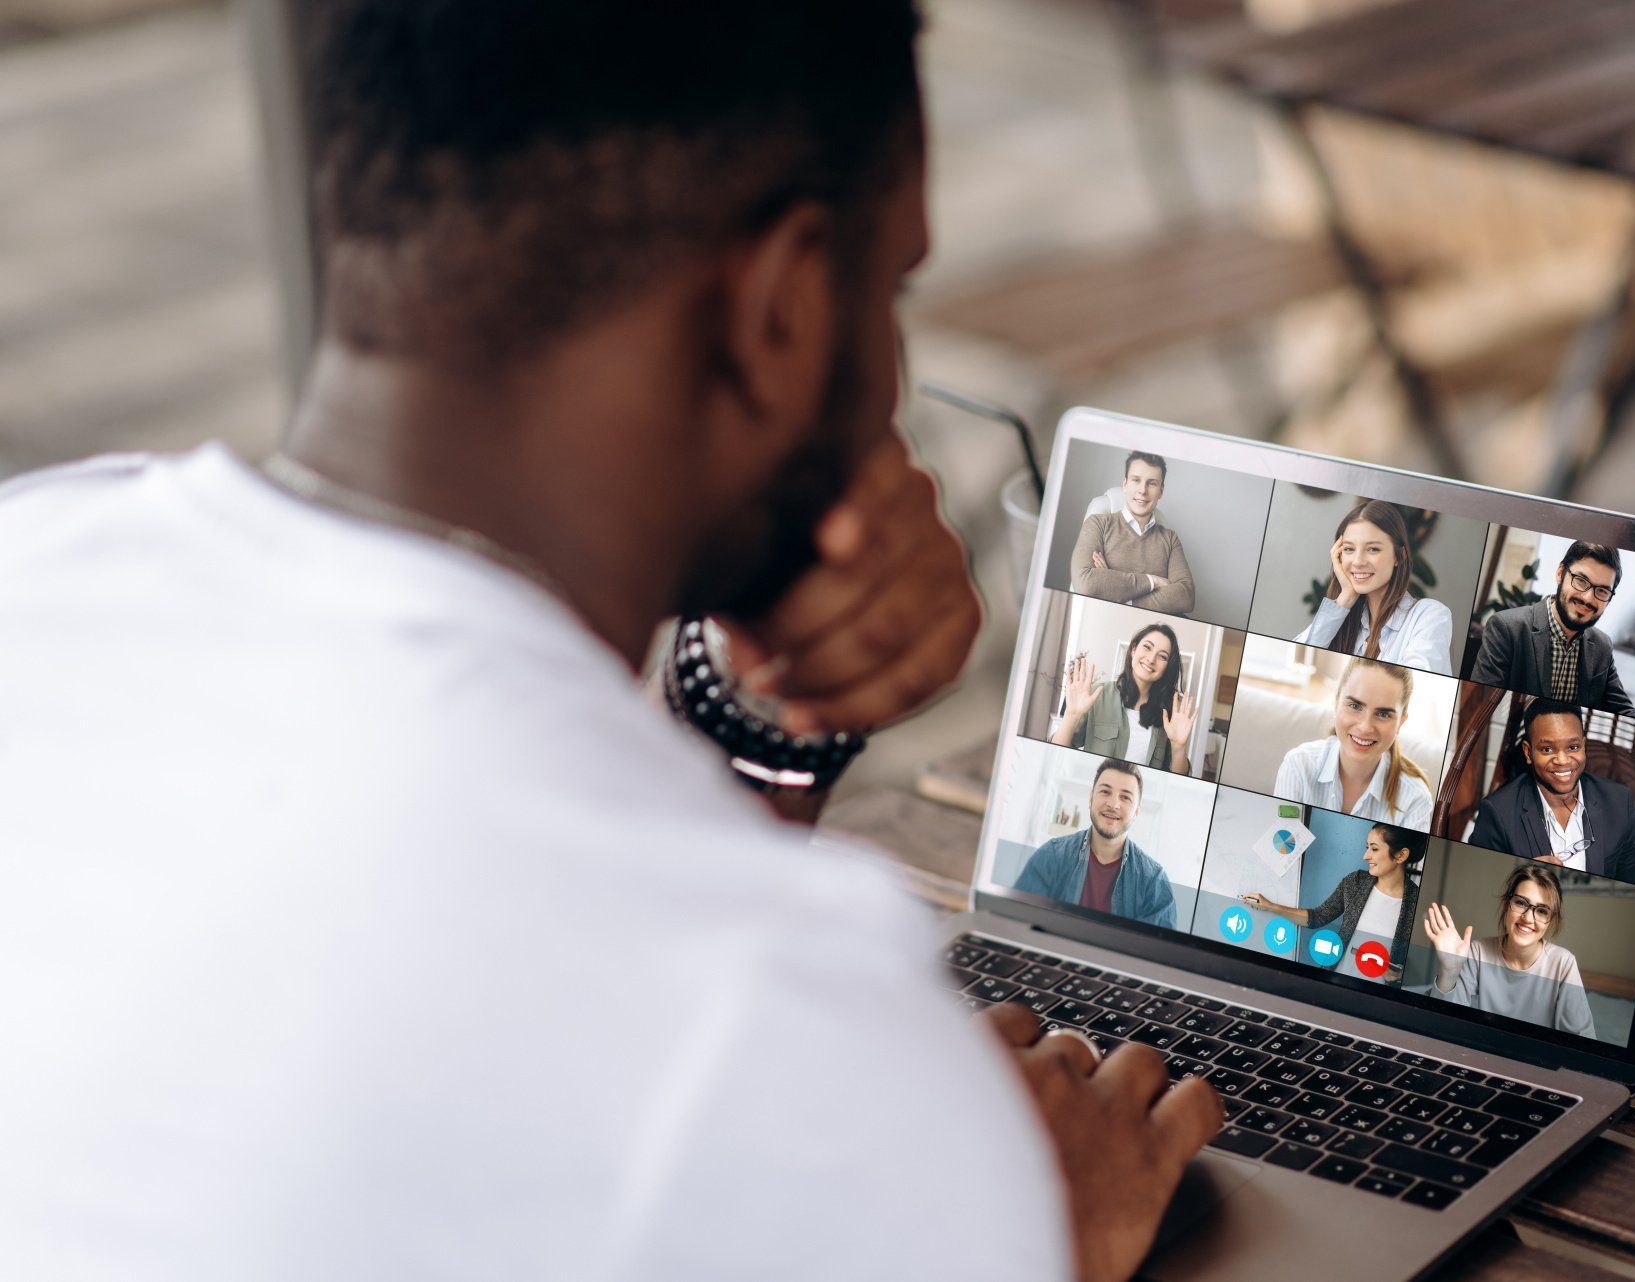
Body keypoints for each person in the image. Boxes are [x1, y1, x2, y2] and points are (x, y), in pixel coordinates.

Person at [0, 6, 1222, 1281]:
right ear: (781, 308)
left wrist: (746, 727)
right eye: (892, 281)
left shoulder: (31, 556)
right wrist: (1029, 1224)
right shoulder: (780, 1018)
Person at [1469, 699, 1635, 885]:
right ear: (1528, 753)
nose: (1562, 760)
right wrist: (1522, 874)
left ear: (1583, 746)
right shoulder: (1498, 812)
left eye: (1573, 747)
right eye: (1547, 749)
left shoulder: (1620, 802)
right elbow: (1479, 882)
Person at [1423, 865, 1597, 1039]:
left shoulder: (1563, 963)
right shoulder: (1478, 952)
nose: (1528, 918)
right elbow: (1444, 1023)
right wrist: (1450, 971)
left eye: (1542, 911)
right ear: (1507, 904)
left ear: (1550, 921)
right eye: (1521, 903)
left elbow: (1583, 1041)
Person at [1242, 823, 1426, 982]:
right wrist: (1270, 906)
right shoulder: (1355, 882)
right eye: (1367, 847)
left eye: (1374, 849)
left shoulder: (1418, 905)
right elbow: (1317, 917)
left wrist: (1402, 974)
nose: (1366, 856)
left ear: (1401, 856)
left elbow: (1424, 967)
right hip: (1336, 982)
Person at [1471, 541, 1635, 714]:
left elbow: (1623, 709)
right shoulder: (1506, 628)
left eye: (1602, 591)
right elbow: (1481, 706)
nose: (1588, 598)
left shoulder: (1602, 646)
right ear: (1560, 574)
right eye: (1581, 581)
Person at [1013, 760, 1180, 929]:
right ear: (1091, 799)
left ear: (1136, 812)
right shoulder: (1052, 855)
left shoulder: (1154, 880)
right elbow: (1017, 920)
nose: (1113, 804)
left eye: (1125, 797)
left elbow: (1152, 950)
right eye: (1105, 791)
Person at [1294, 499, 1453, 675]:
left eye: (1373, 549)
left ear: (1399, 556)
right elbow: (1301, 659)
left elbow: (1415, 685)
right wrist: (1345, 598)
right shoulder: (1347, 618)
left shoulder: (1430, 616)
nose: (1358, 561)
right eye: (1348, 549)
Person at [1274, 657, 1434, 828]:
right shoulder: (1298, 766)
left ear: (1401, 722)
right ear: (1336, 704)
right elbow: (1281, 848)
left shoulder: (1415, 799)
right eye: (1355, 706)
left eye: (1383, 714)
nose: (1365, 727)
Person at [1048, 622, 1199, 775]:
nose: (1151, 659)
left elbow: (1177, 778)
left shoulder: (1169, 715)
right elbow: (1055, 756)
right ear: (1133, 649)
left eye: (1162, 656)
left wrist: (1179, 747)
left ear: (1168, 667)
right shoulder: (1097, 695)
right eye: (1147, 647)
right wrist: (1071, 715)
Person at [1069, 451, 1195, 615]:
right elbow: (1085, 583)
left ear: (1161, 491)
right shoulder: (1097, 524)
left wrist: (1115, 589)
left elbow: (1186, 597)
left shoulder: (1170, 539)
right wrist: (1153, 581)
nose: (1142, 490)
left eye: (1152, 483)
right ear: (1125, 485)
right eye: (1136, 480)